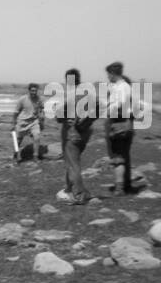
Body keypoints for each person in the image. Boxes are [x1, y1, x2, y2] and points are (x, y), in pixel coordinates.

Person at [54, 68, 97, 206]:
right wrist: (84, 122)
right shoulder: (89, 93)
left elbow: (59, 117)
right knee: (73, 162)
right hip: (85, 133)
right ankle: (70, 189)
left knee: (73, 165)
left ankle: (79, 195)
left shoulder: (71, 95)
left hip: (72, 133)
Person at [103, 61, 137, 195]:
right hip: (126, 122)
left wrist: (107, 108)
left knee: (118, 158)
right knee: (124, 155)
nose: (107, 77)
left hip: (119, 123)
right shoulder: (126, 86)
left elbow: (120, 104)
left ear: (112, 73)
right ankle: (126, 184)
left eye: (108, 74)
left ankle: (119, 188)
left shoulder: (121, 87)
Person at [10, 82, 45, 164]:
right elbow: (16, 112)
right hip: (22, 121)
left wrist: (42, 122)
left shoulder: (39, 99)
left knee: (37, 137)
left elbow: (41, 111)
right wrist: (13, 123)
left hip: (34, 122)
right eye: (32, 91)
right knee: (17, 141)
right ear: (29, 91)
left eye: (35, 91)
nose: (34, 92)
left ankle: (35, 156)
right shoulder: (22, 99)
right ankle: (16, 155)